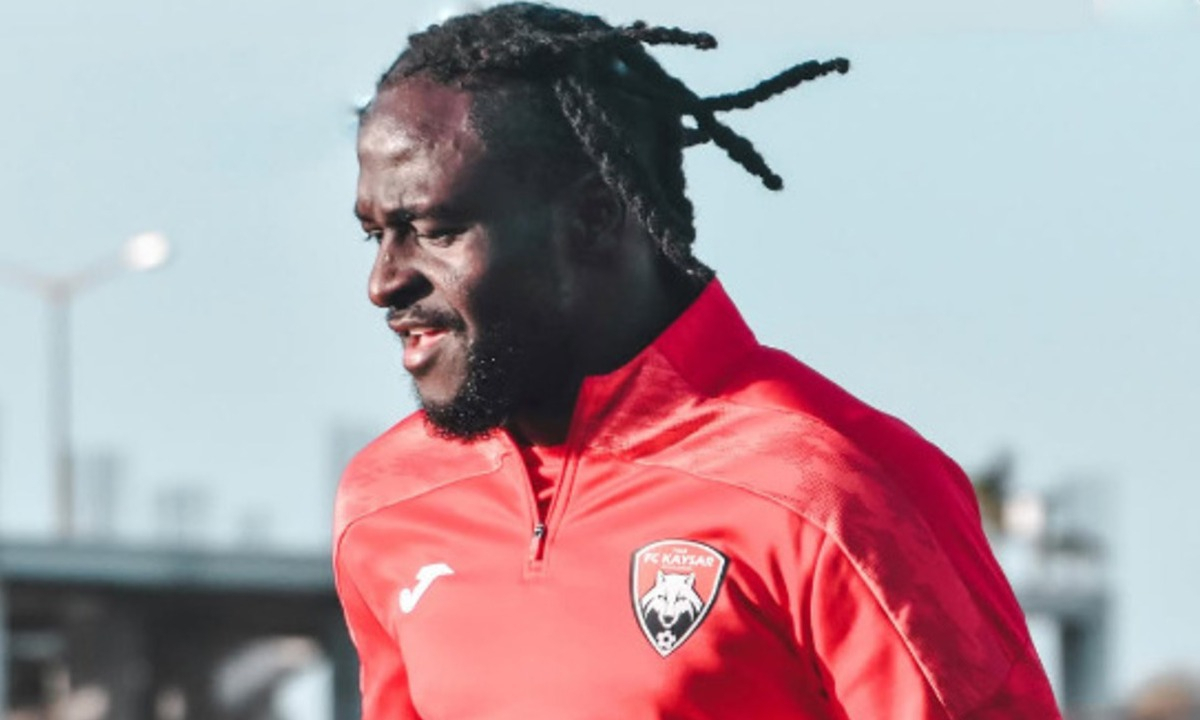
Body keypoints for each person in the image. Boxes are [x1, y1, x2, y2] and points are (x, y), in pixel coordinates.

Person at [334, 3, 1062, 718]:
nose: (384, 283)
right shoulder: (386, 499)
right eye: (376, 235)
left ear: (593, 216)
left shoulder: (835, 487)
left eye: (435, 229)